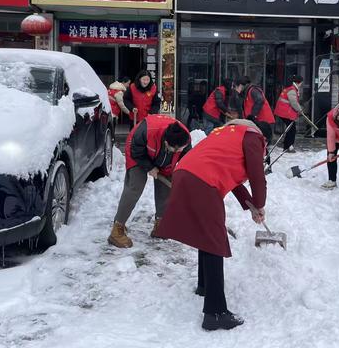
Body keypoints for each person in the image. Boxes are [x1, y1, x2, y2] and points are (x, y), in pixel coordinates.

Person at [156, 119, 273, 331]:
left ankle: (204, 286)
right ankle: (215, 313)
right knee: (214, 240)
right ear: (263, 138)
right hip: (202, 179)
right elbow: (257, 175)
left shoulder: (230, 133)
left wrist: (252, 206)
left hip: (185, 172)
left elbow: (235, 180)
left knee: (206, 233)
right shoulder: (253, 137)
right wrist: (261, 204)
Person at [108, 114, 191, 248]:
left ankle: (160, 224)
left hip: (163, 158)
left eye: (181, 149)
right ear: (166, 143)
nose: (180, 151)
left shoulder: (184, 139)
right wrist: (150, 167)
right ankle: (117, 229)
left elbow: (187, 161)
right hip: (138, 152)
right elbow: (136, 151)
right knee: (136, 185)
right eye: (177, 149)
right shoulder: (145, 131)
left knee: (166, 187)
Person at [273, 75, 304, 153]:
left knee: (290, 128)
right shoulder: (292, 90)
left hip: (282, 111)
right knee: (292, 129)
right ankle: (289, 146)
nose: (301, 85)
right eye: (301, 83)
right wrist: (300, 110)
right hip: (285, 112)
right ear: (299, 82)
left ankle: (287, 146)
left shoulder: (290, 88)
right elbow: (293, 102)